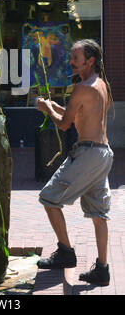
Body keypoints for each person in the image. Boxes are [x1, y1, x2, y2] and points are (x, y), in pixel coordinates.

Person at [35, 39, 114, 286]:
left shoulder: (81, 87)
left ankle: (66, 253)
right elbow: (78, 114)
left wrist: (47, 109)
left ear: (89, 61)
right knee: (98, 214)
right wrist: (53, 106)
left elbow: (65, 124)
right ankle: (102, 270)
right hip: (103, 155)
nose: (71, 62)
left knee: (49, 198)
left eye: (75, 58)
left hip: (88, 154)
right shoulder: (101, 85)